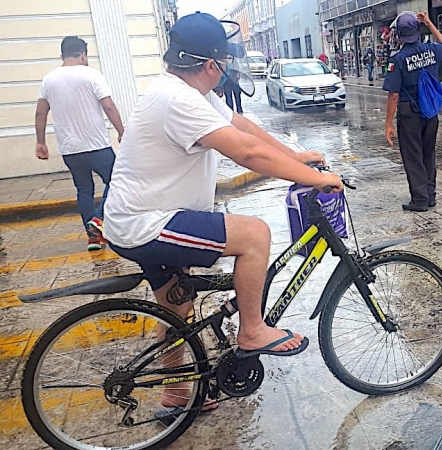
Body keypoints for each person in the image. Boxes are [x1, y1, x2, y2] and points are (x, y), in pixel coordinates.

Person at [101, 12, 343, 411]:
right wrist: (314, 178)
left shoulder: (188, 90)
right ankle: (252, 330)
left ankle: (177, 393)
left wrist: (296, 156)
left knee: (177, 308)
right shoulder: (178, 99)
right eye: (225, 60)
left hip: (138, 218)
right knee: (254, 235)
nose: (228, 67)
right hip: (149, 223)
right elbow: (246, 152)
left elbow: (243, 127)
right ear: (211, 65)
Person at [34, 36, 125, 251]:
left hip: (70, 149)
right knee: (118, 180)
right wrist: (122, 131)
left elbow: (40, 112)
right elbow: (109, 106)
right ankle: (99, 219)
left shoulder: (48, 79)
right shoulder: (92, 75)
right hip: (97, 146)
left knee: (84, 190)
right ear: (83, 54)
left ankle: (93, 238)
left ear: (62, 55)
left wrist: (40, 142)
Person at [382, 11, 442, 212]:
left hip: (409, 115)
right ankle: (430, 196)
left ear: (400, 35)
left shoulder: (398, 60)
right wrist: (429, 22)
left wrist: (388, 124)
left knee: (413, 156)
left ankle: (419, 200)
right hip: (430, 113)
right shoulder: (431, 51)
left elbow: (393, 95)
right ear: (418, 31)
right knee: (428, 154)